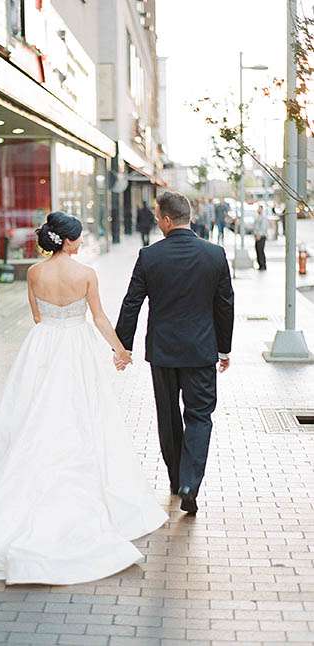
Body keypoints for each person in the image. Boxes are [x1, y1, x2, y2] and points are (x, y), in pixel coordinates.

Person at [0, 212, 168, 585]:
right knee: (81, 417)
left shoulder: (33, 273)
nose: (81, 241)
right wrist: (121, 351)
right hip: (75, 346)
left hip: (42, 347)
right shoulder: (86, 275)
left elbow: (38, 317)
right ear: (69, 241)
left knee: (25, 413)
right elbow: (100, 319)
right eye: (79, 237)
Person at [116, 191, 235, 515]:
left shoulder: (149, 256)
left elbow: (132, 303)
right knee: (199, 416)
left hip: (163, 352)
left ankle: (175, 480)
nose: (156, 221)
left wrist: (123, 347)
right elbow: (224, 305)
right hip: (200, 351)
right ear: (189, 217)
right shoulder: (214, 254)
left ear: (167, 220)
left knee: (168, 419)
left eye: (157, 217)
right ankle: (189, 483)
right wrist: (224, 348)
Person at [255, 203, 268, 270]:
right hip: (257, 236)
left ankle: (263, 265)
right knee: (258, 250)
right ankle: (260, 264)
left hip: (261, 236)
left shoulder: (263, 217)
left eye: (259, 208)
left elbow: (263, 227)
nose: (258, 210)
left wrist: (259, 234)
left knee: (260, 250)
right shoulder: (258, 216)